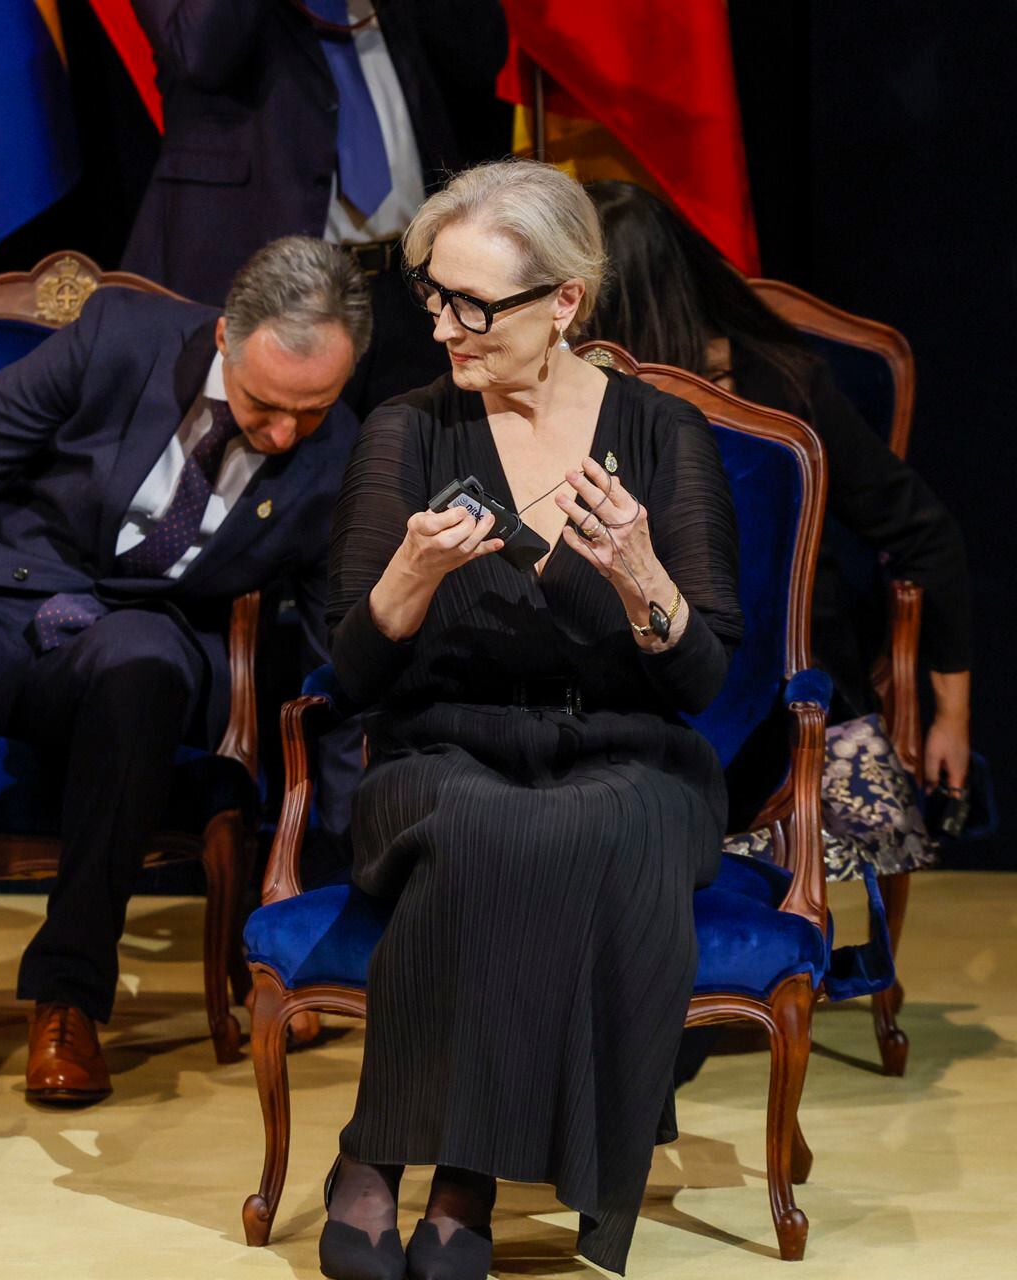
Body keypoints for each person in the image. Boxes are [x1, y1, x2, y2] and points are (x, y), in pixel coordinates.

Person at [319, 159, 742, 1279]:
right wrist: (408, 573)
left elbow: (704, 677)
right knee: (485, 825)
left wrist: (646, 577)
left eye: (476, 305)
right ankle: (401, 1159)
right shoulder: (408, 432)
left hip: (628, 752)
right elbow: (351, 670)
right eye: (435, 297)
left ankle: (442, 1170)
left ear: (564, 301)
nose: (447, 327)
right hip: (443, 745)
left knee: (586, 830)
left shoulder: (662, 436)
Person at [0, 237, 370, 1107]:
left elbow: (329, 665)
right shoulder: (119, 337)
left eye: (310, 412)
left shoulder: (339, 456)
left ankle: (69, 1000)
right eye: (267, 404)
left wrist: (321, 872)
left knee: (146, 670)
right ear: (226, 338)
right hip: (2, 591)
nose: (284, 433)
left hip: (136, 634)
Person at [585, 179, 972, 886]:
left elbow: (926, 534)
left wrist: (950, 717)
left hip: (771, 711)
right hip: (623, 689)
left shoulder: (786, 389)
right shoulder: (557, 395)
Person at [125, 0, 508, 415]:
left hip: (412, 290)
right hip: (270, 294)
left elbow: (479, 55)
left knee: (413, 470)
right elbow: (199, 49)